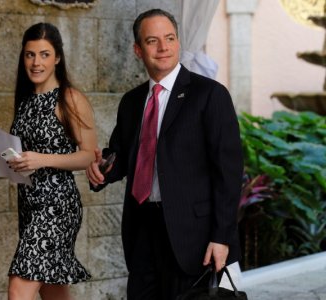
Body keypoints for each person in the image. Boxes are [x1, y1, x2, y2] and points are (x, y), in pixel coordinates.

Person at [86, 8, 244, 300]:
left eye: (169, 38)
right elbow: (122, 156)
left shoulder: (209, 95)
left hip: (193, 236)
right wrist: (102, 169)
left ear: (178, 42)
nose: (163, 47)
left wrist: (222, 237)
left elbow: (229, 173)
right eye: (152, 41)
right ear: (138, 49)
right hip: (142, 230)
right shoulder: (132, 102)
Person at [0, 22, 97, 300]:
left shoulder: (70, 98)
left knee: (19, 287)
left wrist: (42, 159)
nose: (36, 62)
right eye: (30, 54)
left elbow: (89, 155)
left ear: (57, 58)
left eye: (44, 54)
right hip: (30, 204)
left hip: (57, 206)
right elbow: (23, 156)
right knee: (52, 290)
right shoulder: (26, 100)